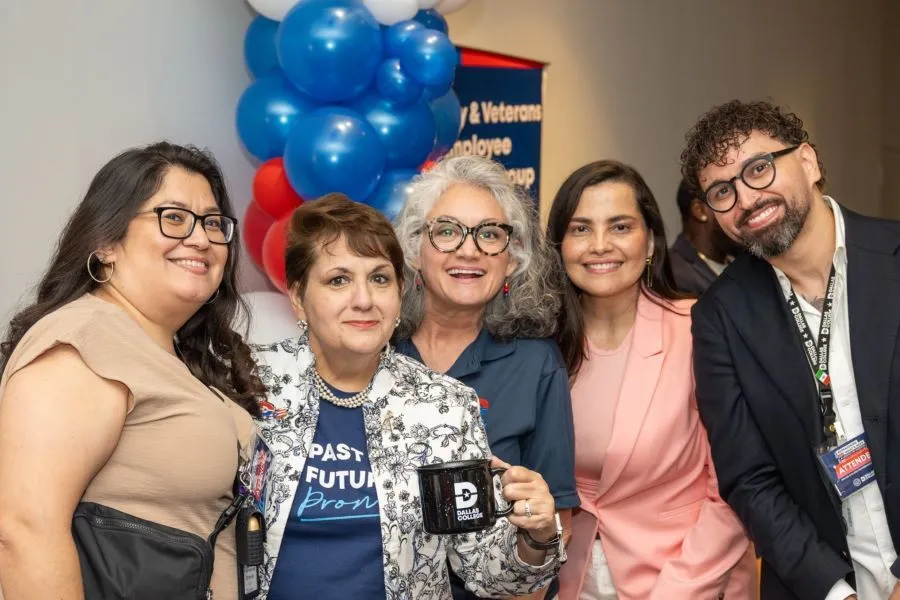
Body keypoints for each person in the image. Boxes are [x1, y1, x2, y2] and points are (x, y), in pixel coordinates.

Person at [251, 193, 564, 600]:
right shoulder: (251, 386)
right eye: (338, 280)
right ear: (298, 297)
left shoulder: (442, 409)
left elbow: (488, 573)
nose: (363, 299)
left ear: (399, 292)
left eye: (379, 278)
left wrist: (536, 536)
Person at [0, 142, 263, 599]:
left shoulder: (170, 354)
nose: (201, 238)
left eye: (213, 223)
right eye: (174, 217)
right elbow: (23, 531)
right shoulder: (85, 340)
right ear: (105, 244)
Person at [682, 99, 900, 600]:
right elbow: (748, 479)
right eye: (722, 191)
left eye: (758, 169)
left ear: (808, 162)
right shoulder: (720, 316)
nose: (746, 199)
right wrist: (836, 594)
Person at [546, 160, 757, 600]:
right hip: (571, 579)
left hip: (688, 579)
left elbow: (736, 488)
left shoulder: (698, 331)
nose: (599, 246)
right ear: (559, 245)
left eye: (620, 227)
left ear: (650, 243)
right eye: (580, 229)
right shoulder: (542, 344)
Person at [392, 155, 578, 600]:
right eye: (448, 231)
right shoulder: (377, 354)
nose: (469, 250)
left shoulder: (536, 364)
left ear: (512, 261)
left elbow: (558, 523)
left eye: (490, 234)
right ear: (416, 250)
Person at [669, 178, 743, 295]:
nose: (739, 211)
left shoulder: (738, 259)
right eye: (723, 196)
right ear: (700, 210)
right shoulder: (675, 275)